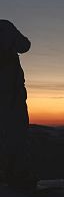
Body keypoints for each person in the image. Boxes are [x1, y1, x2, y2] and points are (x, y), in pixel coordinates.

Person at [0, 20, 37, 188]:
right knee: (17, 133)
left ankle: (9, 173)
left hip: (12, 93)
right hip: (12, 95)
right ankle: (17, 173)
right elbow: (25, 46)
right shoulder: (5, 26)